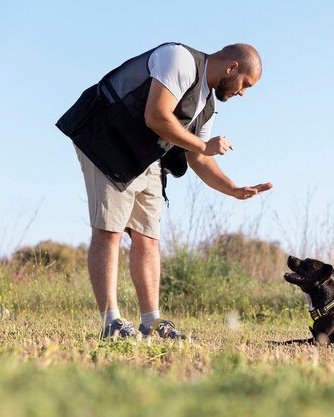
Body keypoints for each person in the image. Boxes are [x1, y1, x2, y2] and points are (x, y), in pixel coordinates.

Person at [56, 42, 273, 339]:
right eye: (245, 84)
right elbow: (157, 116)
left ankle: (152, 324)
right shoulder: (180, 60)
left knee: (148, 238)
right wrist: (201, 145)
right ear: (232, 67)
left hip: (145, 155)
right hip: (106, 138)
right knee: (110, 230)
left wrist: (233, 189)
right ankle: (112, 323)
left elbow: (198, 156)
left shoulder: (208, 106)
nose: (242, 92)